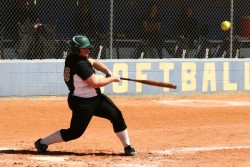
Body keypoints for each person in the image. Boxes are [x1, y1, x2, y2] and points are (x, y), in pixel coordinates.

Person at [34, 35, 137, 156]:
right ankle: (42, 142)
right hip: (82, 103)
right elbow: (94, 83)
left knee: (116, 115)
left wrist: (108, 72)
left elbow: (93, 61)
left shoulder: (74, 57)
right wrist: (113, 79)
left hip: (96, 99)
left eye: (88, 48)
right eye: (84, 48)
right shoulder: (79, 64)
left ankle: (127, 146)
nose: (88, 50)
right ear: (76, 49)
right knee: (75, 133)